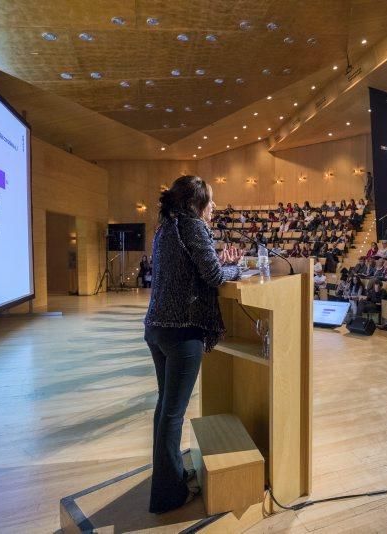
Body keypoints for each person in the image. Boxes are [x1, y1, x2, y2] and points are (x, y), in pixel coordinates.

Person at [143, 176, 242, 514]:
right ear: (196, 203)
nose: (213, 208)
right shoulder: (193, 226)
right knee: (172, 414)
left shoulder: (164, 228)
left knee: (165, 410)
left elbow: (194, 271)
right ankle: (168, 496)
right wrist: (236, 268)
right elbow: (214, 277)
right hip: (182, 331)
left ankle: (170, 477)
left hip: (157, 328)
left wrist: (221, 264)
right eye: (210, 202)